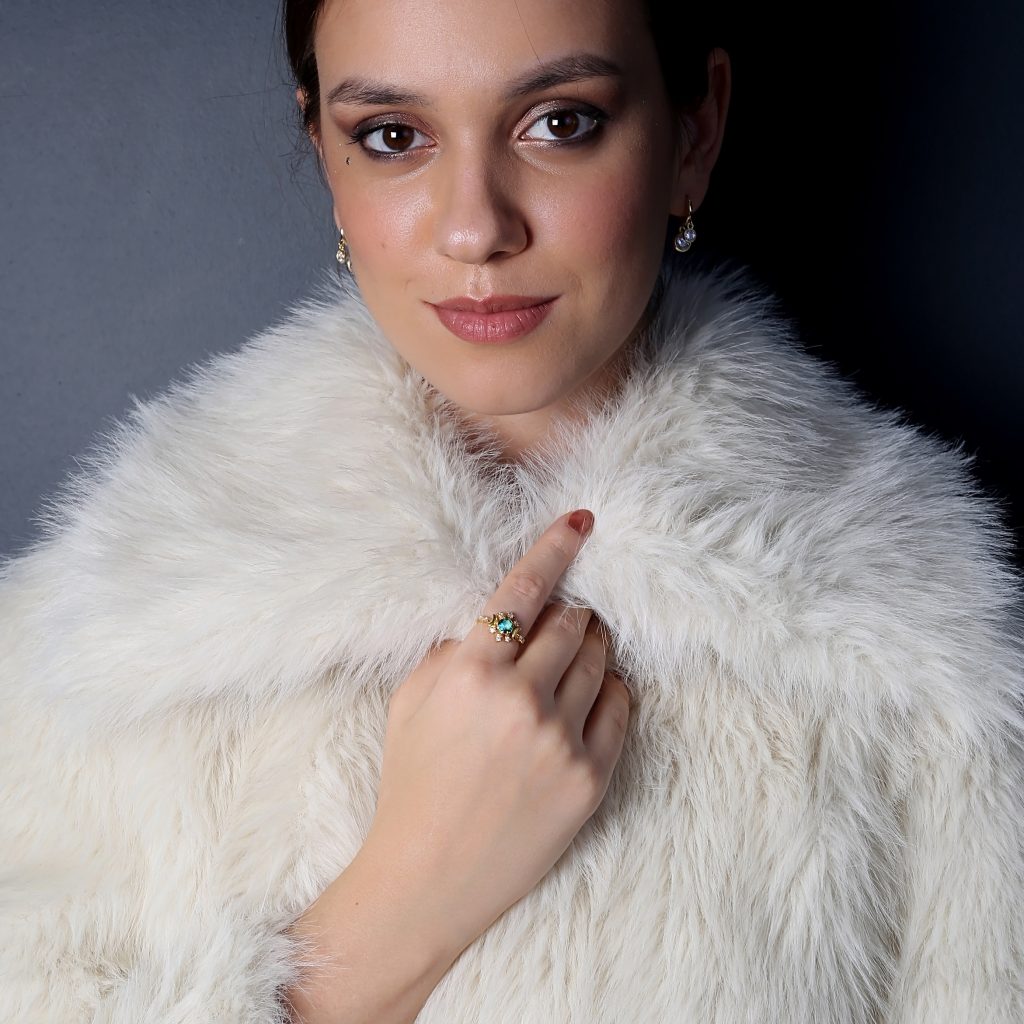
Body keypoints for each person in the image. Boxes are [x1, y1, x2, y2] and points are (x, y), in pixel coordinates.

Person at [1, 0, 1022, 1021]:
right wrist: (402, 909)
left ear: (694, 133)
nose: (475, 227)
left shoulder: (931, 660)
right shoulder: (97, 637)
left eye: (559, 122)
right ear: (325, 154)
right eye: (392, 136)